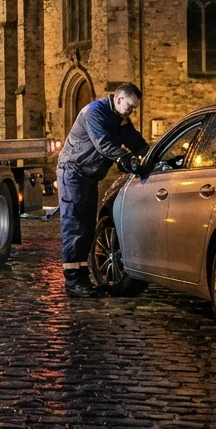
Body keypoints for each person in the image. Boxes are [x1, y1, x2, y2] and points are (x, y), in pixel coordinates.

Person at [56, 83, 149, 298]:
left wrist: (152, 154)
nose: (132, 111)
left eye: (135, 108)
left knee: (87, 227)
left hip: (88, 176)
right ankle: (73, 281)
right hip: (73, 172)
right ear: (118, 100)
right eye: (130, 106)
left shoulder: (121, 119)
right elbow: (103, 143)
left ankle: (80, 277)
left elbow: (134, 141)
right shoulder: (93, 112)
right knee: (75, 225)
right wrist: (123, 158)